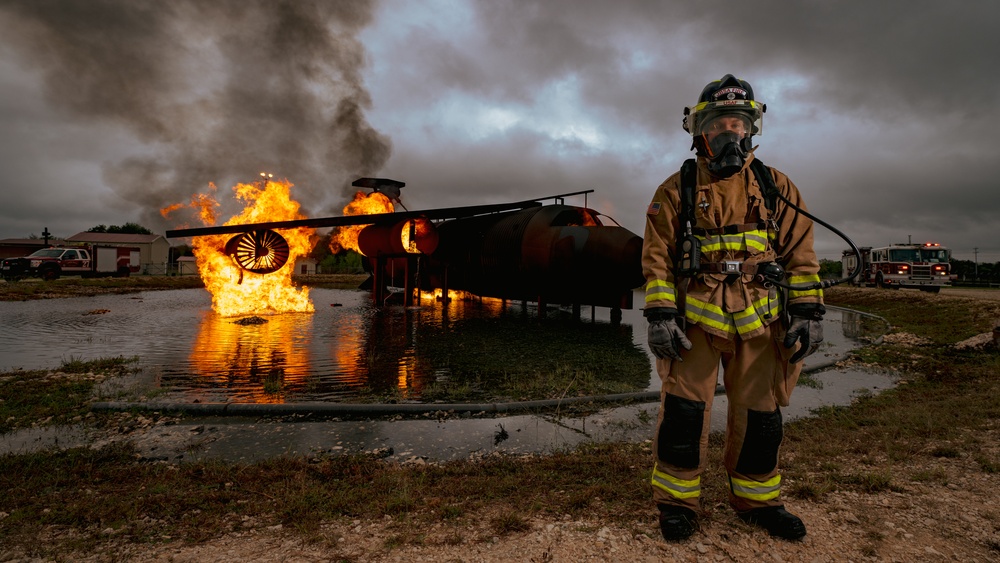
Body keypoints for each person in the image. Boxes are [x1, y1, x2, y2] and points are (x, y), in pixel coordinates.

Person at [641, 74, 825, 542]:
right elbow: (657, 259)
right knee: (683, 411)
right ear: (699, 130)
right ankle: (677, 503)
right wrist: (660, 317)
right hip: (695, 321)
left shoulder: (775, 186)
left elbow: (801, 253)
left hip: (761, 320)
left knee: (761, 415)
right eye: (720, 123)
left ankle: (758, 501)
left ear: (752, 129)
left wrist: (806, 312)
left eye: (739, 123)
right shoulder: (676, 188)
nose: (730, 133)